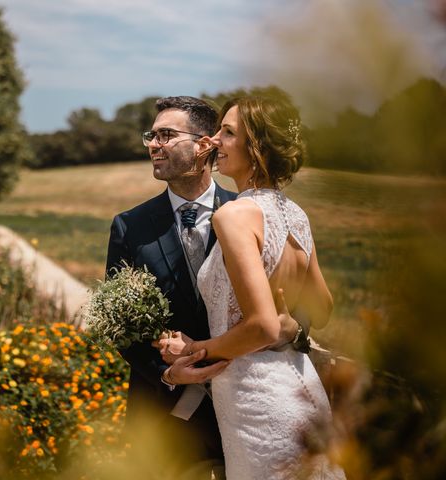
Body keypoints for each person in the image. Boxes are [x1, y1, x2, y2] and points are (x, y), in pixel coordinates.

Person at [105, 96, 306, 479]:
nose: (153, 144)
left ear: (204, 144)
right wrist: (167, 374)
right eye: (152, 135)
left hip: (250, 410)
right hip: (165, 418)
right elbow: (119, 327)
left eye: (166, 135)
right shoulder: (129, 226)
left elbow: (299, 305)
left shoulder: (252, 212)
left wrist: (295, 326)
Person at [157, 92, 346, 479]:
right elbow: (322, 308)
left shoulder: (234, 215)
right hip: (302, 387)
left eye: (227, 133)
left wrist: (195, 349)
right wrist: (288, 318)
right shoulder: (295, 213)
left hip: (257, 400)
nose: (213, 142)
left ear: (256, 146)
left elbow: (262, 326)